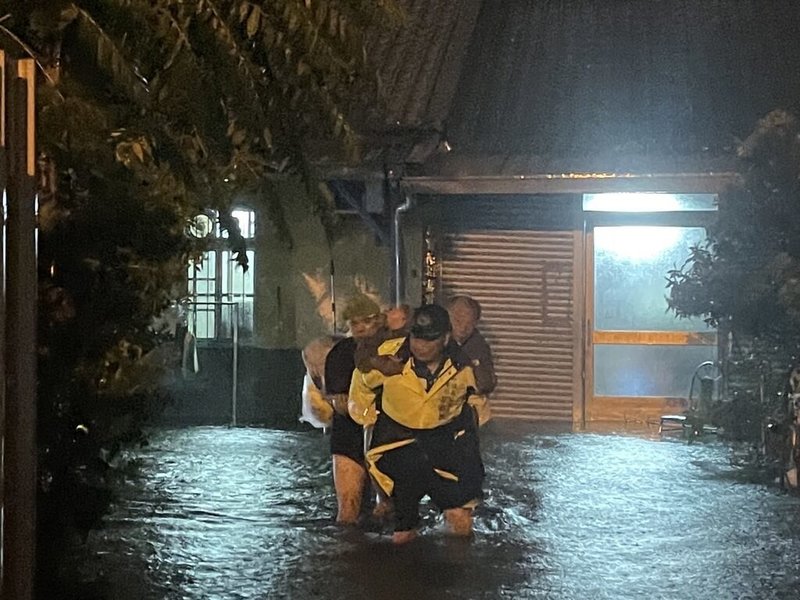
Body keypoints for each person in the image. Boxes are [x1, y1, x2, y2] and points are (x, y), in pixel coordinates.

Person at [353, 304, 488, 544]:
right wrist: (368, 419)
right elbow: (361, 386)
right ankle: (403, 570)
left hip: (446, 443)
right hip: (397, 442)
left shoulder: (464, 366)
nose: (420, 346)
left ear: (446, 338)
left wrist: (470, 432)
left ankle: (458, 573)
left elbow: (478, 400)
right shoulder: (388, 357)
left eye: (430, 340)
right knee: (404, 520)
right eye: (416, 337)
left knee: (460, 519)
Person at [324, 294, 385, 524]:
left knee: (388, 510)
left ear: (377, 321)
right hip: (349, 435)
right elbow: (338, 401)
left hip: (387, 436)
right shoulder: (340, 354)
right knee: (348, 510)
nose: (360, 328)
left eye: (365, 321)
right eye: (354, 323)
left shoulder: (393, 349)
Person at [447, 295, 497, 397]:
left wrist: (474, 363)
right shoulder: (434, 338)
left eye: (469, 323)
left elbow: (487, 384)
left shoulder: (478, 346)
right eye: (458, 321)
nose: (463, 328)